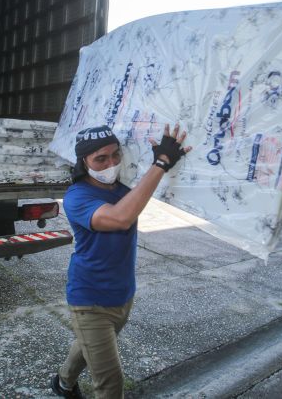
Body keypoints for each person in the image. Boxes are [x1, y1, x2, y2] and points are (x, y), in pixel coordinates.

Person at [51, 123, 191, 399]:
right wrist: (161, 163)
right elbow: (119, 218)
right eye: (100, 158)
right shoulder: (77, 196)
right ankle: (67, 383)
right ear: (84, 162)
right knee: (111, 383)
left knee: (87, 345)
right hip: (90, 298)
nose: (111, 163)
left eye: (116, 154)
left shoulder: (123, 186)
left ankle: (63, 383)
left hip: (123, 294)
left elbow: (143, 193)